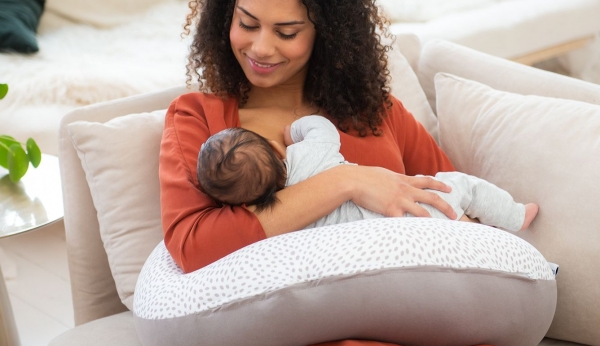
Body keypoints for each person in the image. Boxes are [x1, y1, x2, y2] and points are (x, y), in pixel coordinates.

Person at [160, 0, 534, 346]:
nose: (260, 47)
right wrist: (348, 181)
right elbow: (194, 245)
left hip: (417, 323)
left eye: (287, 31)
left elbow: (451, 204)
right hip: (292, 342)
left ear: (326, 31)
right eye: (247, 23)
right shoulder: (200, 119)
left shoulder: (376, 112)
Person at [196, 115, 539, 231]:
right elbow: (322, 128)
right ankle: (514, 216)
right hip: (416, 208)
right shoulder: (309, 152)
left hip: (390, 242)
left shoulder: (286, 218)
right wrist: (294, 131)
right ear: (274, 150)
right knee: (464, 186)